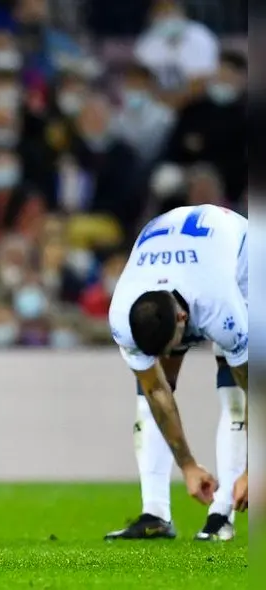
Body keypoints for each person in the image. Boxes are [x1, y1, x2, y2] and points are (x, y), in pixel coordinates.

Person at [106, 204, 248, 541]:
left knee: (235, 391)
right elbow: (157, 390)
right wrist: (187, 464)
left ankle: (221, 513)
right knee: (151, 387)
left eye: (171, 346)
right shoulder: (122, 314)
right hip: (176, 249)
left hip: (245, 259)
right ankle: (155, 513)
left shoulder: (219, 305)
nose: (170, 356)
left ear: (183, 319)